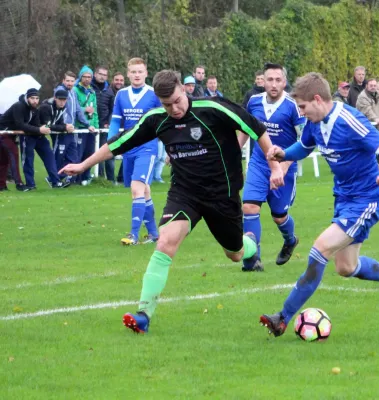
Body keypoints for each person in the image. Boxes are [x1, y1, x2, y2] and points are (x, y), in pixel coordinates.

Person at [59, 70, 280, 334]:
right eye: (166, 104)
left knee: (235, 254)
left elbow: (255, 128)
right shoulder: (156, 119)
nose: (174, 109)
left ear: (183, 90)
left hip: (222, 194)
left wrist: (275, 166)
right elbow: (118, 143)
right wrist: (83, 165)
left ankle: (251, 247)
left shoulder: (212, 108)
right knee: (165, 242)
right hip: (185, 193)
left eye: (176, 101)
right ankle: (143, 314)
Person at [258, 72, 379, 337]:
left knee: (319, 249)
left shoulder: (349, 119)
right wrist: (284, 153)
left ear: (317, 99)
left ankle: (282, 318)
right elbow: (304, 147)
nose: (301, 113)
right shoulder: (315, 123)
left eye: (303, 107)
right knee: (346, 268)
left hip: (366, 199)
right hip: (343, 198)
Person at [242, 63, 306, 272]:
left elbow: (305, 140)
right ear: (263, 81)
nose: (273, 84)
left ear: (284, 82)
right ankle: (252, 259)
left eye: (278, 80)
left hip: (284, 165)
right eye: (270, 80)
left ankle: (290, 240)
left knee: (279, 215)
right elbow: (244, 127)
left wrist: (286, 165)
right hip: (259, 163)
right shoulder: (253, 102)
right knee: (249, 207)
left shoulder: (293, 106)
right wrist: (234, 152)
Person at [107, 58, 162, 245]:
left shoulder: (154, 94)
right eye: (133, 72)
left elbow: (164, 121)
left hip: (148, 147)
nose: (137, 75)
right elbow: (115, 121)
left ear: (146, 73)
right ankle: (154, 233)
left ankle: (133, 234)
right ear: (128, 73)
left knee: (136, 188)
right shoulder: (121, 94)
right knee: (144, 190)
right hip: (129, 147)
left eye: (140, 72)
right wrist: (111, 143)